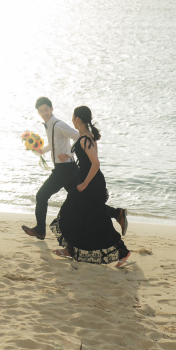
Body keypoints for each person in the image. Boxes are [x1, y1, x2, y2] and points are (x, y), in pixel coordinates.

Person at [22, 97, 127, 240]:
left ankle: (40, 230)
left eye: (46, 109)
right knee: (83, 200)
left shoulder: (58, 124)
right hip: (68, 169)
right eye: (40, 111)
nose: (44, 113)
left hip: (63, 170)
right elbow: (55, 143)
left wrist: (69, 154)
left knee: (41, 196)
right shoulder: (49, 125)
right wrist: (43, 150)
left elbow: (79, 137)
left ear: (52, 109)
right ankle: (117, 213)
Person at [49, 106, 131, 267]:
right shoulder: (87, 137)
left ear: (77, 119)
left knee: (90, 218)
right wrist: (69, 156)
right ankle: (70, 248)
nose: (72, 119)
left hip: (91, 184)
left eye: (72, 117)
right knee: (77, 214)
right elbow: (86, 157)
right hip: (90, 182)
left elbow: (95, 163)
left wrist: (85, 183)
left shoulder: (85, 139)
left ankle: (123, 251)